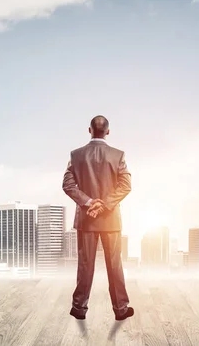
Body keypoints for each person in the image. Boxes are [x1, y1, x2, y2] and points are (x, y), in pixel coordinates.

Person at [62, 115, 134, 321]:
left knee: (85, 265)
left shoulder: (76, 155)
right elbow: (125, 186)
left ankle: (78, 309)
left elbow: (68, 185)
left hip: (87, 219)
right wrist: (105, 204)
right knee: (115, 264)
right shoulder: (118, 155)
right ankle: (121, 310)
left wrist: (89, 202)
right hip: (111, 220)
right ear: (108, 132)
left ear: (89, 130)